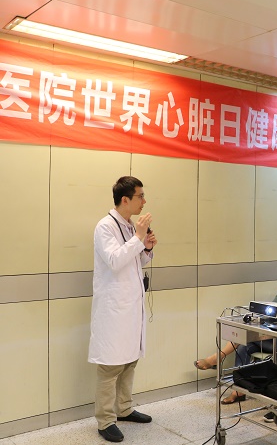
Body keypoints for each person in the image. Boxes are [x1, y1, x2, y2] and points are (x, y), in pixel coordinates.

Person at [88, 176, 158, 443]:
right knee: (110, 366)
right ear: (125, 199)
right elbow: (115, 261)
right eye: (140, 196)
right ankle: (105, 420)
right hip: (114, 309)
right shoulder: (105, 227)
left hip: (131, 307)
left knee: (130, 361)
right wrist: (138, 237)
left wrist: (146, 248)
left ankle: (124, 408)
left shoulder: (129, 226)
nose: (144, 201)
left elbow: (134, 261)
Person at [194, 262, 277, 404]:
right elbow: (270, 310)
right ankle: (239, 388)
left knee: (244, 338)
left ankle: (218, 358)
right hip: (270, 334)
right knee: (243, 346)